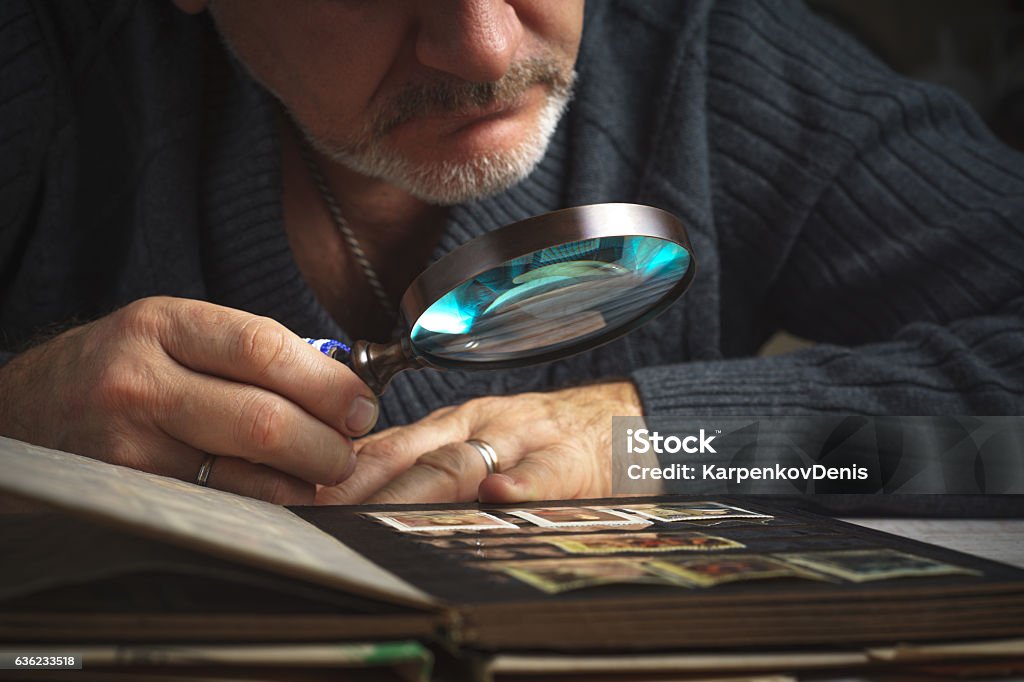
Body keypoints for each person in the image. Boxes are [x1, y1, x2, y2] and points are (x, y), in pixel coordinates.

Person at [0, 0, 1021, 508]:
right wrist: (13, 425)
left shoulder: (720, 65)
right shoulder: (39, 72)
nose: (488, 52)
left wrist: (656, 436)